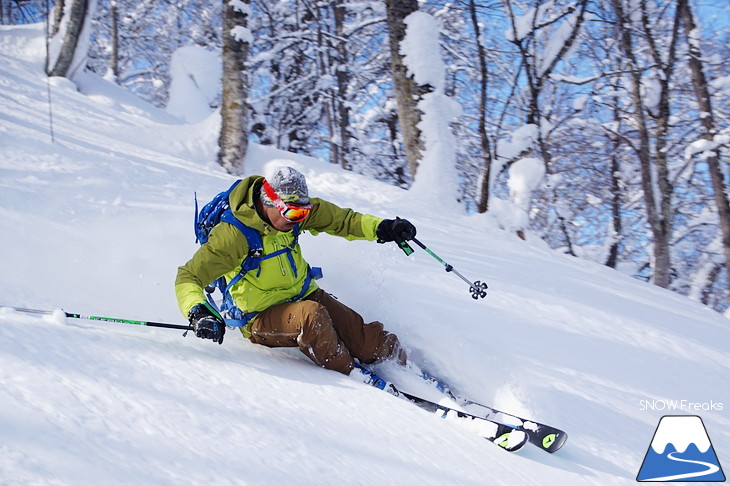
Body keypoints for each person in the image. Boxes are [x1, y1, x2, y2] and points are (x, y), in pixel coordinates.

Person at [175, 164, 417, 376]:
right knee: (312, 316)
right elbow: (189, 276)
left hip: (303, 293)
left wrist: (383, 228)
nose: (298, 219)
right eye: (294, 213)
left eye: (304, 213)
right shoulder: (233, 235)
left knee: (367, 343)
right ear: (269, 202)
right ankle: (351, 376)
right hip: (260, 316)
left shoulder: (293, 215)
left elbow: (342, 220)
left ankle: (407, 368)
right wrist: (199, 312)